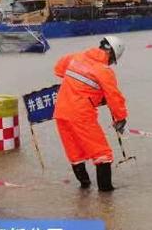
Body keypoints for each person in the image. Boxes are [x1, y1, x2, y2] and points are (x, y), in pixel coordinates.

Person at [53, 36, 127, 192]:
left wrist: (86, 90)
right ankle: (106, 197)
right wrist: (121, 118)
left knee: (75, 153)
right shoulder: (104, 71)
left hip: (60, 111)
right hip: (81, 114)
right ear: (112, 55)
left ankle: (84, 188)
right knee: (102, 153)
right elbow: (114, 97)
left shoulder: (76, 57)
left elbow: (58, 69)